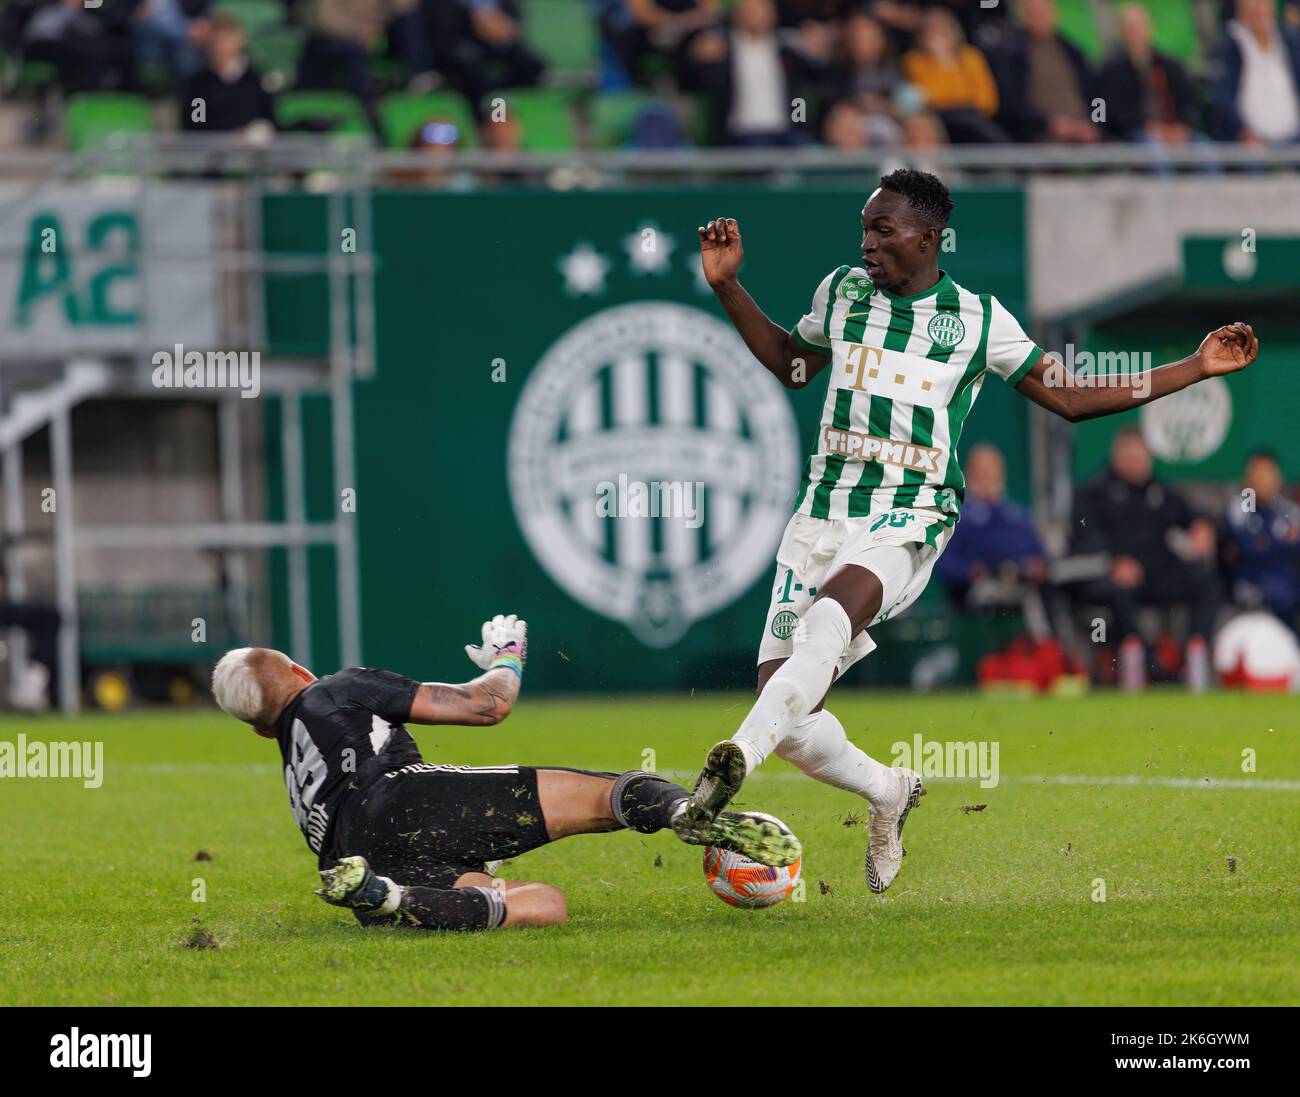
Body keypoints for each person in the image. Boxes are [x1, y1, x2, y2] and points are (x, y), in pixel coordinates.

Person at [685, 169, 1258, 891]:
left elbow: (1070, 399)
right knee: (793, 718)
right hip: (822, 513)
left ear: (927, 239)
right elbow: (795, 365)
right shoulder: (842, 292)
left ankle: (726, 766)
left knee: (831, 617)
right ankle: (889, 790)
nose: (867, 244)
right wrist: (728, 286)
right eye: (864, 229)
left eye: (883, 231)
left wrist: (1195, 367)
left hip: (912, 510)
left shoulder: (979, 318)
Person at [211, 615, 800, 931]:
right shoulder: (336, 689)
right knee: (606, 798)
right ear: (297, 669)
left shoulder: (295, 766)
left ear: (260, 730)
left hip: (350, 857)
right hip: (403, 798)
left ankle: (392, 900)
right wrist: (508, 656)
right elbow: (485, 706)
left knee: (544, 904)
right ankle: (681, 810)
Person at [1067, 429, 1222, 678]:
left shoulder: (1158, 491)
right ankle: (1148, 663)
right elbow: (1083, 534)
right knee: (1116, 590)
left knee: (1206, 580)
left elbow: (1193, 514)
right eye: (1129, 456)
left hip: (1156, 573)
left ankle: (1195, 652)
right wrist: (1114, 561)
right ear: (1116, 456)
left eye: (1140, 456)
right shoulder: (1093, 492)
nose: (1135, 462)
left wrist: (1202, 526)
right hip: (1111, 577)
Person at [935, 442, 1053, 637]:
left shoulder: (1016, 514)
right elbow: (942, 561)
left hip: (1022, 582)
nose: (988, 476)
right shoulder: (957, 514)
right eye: (982, 470)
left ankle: (1053, 657)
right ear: (970, 472)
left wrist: (1036, 566)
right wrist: (971, 571)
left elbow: (1040, 554)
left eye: (993, 469)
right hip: (978, 593)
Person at [993, 0, 1100, 144]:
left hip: (1083, 133)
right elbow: (1011, 104)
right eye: (1033, 13)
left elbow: (1098, 96)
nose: (1039, 18)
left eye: (1043, 12)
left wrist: (1096, 123)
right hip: (1039, 136)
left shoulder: (1073, 52)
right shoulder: (1011, 54)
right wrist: (1047, 123)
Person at [1099, 4, 1202, 148]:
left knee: (1205, 150)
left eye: (1139, 26)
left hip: (1175, 132)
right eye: (1130, 28)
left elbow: (1189, 102)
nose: (1135, 32)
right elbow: (1109, 113)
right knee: (1154, 151)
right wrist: (1146, 126)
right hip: (1137, 135)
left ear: (1150, 27)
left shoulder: (1170, 66)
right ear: (1121, 32)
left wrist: (1182, 126)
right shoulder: (1112, 70)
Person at [1222, 449, 1300, 630]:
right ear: (1248, 478)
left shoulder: (1286, 509)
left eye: (1269, 472)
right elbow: (1249, 548)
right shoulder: (1240, 506)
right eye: (1257, 472)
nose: (1263, 479)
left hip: (1287, 579)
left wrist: (1270, 543)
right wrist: (1282, 543)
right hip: (1251, 581)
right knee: (1280, 594)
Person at [902, 8, 1005, 143]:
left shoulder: (971, 58)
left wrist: (949, 65)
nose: (937, 37)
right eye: (931, 32)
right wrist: (941, 62)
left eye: (942, 32)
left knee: (981, 130)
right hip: (936, 116)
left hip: (970, 115)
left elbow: (987, 101)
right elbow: (924, 97)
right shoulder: (915, 61)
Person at [1212, 0, 1300, 144]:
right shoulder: (1230, 47)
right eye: (1253, 10)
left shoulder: (1291, 42)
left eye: (1262, 7)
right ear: (1241, 13)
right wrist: (1241, 132)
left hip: (1294, 139)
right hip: (1248, 142)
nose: (1259, 13)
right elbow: (1223, 98)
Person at [179, 11, 274, 136]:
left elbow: (270, 120)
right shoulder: (199, 85)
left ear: (240, 40)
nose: (221, 46)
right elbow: (195, 125)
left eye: (227, 38)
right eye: (216, 40)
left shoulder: (257, 81)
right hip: (212, 150)